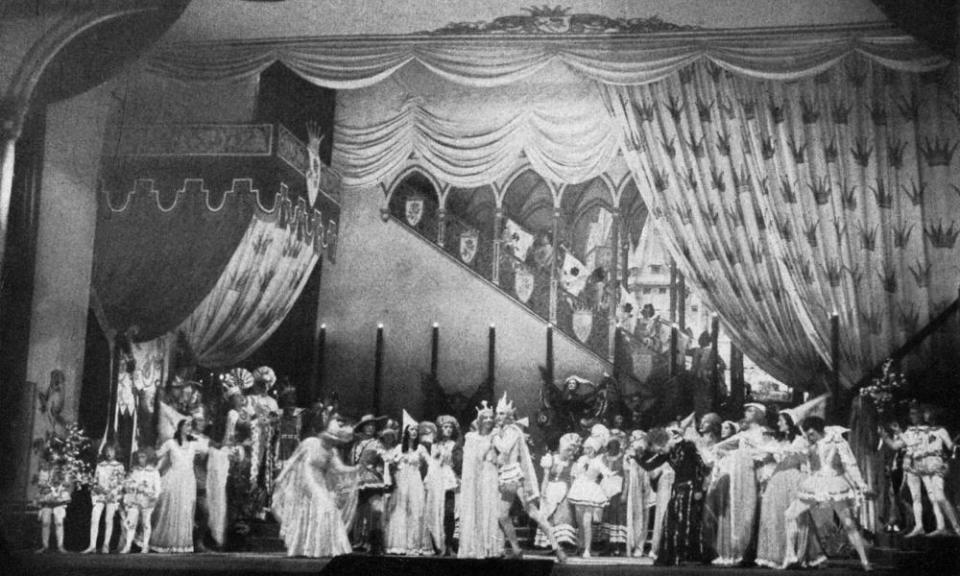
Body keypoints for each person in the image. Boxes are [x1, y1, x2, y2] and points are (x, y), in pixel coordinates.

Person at [784, 416, 872, 571]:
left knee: (848, 523)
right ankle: (790, 555)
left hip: (834, 483)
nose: (810, 437)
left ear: (820, 430)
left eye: (812, 434)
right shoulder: (810, 443)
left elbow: (850, 464)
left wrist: (861, 484)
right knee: (789, 514)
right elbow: (795, 454)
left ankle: (865, 561)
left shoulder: (836, 440)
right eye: (808, 434)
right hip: (816, 483)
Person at [271, 406, 358, 557]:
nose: (332, 443)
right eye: (330, 439)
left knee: (328, 507)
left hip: (319, 480)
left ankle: (318, 547)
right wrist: (281, 476)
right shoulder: (310, 442)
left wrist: (357, 467)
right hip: (306, 478)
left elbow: (340, 469)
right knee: (321, 504)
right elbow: (293, 460)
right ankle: (309, 546)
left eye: (334, 441)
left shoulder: (332, 452)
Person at [491, 393, 567, 562]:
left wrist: (494, 436)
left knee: (532, 512)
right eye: (498, 413)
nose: (498, 417)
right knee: (502, 515)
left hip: (517, 476)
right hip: (506, 476)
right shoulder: (504, 430)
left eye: (502, 413)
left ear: (509, 415)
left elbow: (504, 448)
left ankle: (557, 546)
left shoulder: (513, 430)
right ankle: (516, 549)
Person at [755, 410, 825, 569]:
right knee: (775, 516)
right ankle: (777, 554)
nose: (778, 423)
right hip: (777, 480)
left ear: (789, 423)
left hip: (794, 480)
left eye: (781, 420)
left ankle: (793, 553)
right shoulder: (777, 442)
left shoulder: (800, 441)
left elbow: (806, 461)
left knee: (795, 518)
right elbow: (763, 454)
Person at [707, 402, 766, 566]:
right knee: (732, 510)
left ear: (759, 414)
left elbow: (762, 452)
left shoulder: (762, 433)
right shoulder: (743, 434)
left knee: (746, 512)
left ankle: (741, 551)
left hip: (749, 475)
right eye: (746, 410)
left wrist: (741, 454)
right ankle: (728, 551)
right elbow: (720, 446)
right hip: (737, 475)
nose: (746, 412)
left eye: (751, 410)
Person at [648, 427, 706, 566]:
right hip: (677, 487)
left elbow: (700, 466)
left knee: (686, 520)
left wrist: (698, 488)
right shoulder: (669, 451)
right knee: (671, 520)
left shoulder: (688, 446)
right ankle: (671, 555)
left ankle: (687, 556)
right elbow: (651, 464)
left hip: (691, 487)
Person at [151, 419, 206, 553]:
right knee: (171, 509)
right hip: (174, 479)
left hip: (188, 480)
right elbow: (156, 455)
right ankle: (167, 542)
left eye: (190, 426)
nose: (188, 428)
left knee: (186, 510)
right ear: (180, 427)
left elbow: (206, 449)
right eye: (186, 425)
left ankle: (182, 544)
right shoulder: (170, 443)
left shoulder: (194, 444)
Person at [458, 402, 504, 558]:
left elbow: (503, 452)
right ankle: (474, 547)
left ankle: (489, 546)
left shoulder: (495, 435)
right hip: (475, 476)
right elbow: (469, 459)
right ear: (480, 420)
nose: (489, 420)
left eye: (491, 417)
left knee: (490, 506)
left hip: (490, 474)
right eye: (486, 418)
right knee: (475, 507)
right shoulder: (471, 437)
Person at [881, 402, 930, 537]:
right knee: (907, 496)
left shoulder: (927, 430)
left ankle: (922, 524)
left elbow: (914, 444)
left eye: (914, 413)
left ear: (921, 414)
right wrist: (885, 437)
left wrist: (900, 433)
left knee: (930, 497)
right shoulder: (909, 431)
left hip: (925, 466)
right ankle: (916, 525)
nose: (912, 416)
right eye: (911, 414)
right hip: (910, 468)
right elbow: (896, 446)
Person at [384, 414, 430, 555]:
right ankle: (400, 545)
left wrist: (428, 476)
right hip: (402, 483)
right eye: (411, 429)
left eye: (416, 429)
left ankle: (414, 544)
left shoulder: (420, 448)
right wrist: (393, 462)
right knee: (400, 511)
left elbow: (430, 463)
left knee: (416, 512)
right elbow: (389, 461)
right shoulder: (399, 448)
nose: (414, 432)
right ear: (406, 432)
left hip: (415, 482)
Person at [567, 436, 613, 557]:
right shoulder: (581, 459)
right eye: (586, 448)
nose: (587, 450)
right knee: (579, 521)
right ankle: (580, 546)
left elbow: (606, 473)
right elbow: (575, 473)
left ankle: (587, 548)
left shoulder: (598, 461)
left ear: (594, 449)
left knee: (587, 521)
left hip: (591, 491)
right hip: (579, 489)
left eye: (590, 448)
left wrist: (607, 479)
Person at [535, 433, 580, 551]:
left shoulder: (574, 465)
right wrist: (543, 491)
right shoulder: (550, 459)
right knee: (549, 515)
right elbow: (545, 477)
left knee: (563, 515)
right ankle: (551, 543)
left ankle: (562, 543)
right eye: (567, 450)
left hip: (565, 491)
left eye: (572, 451)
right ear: (561, 448)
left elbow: (573, 480)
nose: (570, 453)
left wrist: (572, 494)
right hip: (550, 489)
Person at [428, 415, 462, 556]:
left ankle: (448, 545)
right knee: (435, 512)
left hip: (449, 481)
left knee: (449, 513)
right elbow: (431, 464)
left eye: (450, 427)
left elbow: (459, 464)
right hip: (437, 481)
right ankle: (437, 544)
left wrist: (451, 460)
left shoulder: (455, 445)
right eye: (445, 427)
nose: (447, 430)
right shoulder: (434, 445)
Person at [83, 443, 126, 554]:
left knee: (108, 519)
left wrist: (114, 492)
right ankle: (92, 545)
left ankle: (105, 545)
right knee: (94, 518)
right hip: (100, 495)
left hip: (112, 495)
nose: (109, 453)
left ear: (115, 452)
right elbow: (95, 480)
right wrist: (98, 488)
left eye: (111, 451)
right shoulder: (100, 465)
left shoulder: (119, 466)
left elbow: (121, 483)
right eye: (107, 450)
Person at [120, 449, 162, 554]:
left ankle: (145, 546)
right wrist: (133, 486)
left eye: (143, 456)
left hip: (147, 500)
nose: (140, 459)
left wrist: (149, 493)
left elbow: (158, 489)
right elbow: (127, 483)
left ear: (148, 458)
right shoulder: (134, 470)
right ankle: (128, 545)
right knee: (132, 523)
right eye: (139, 457)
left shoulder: (153, 472)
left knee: (145, 523)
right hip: (134, 499)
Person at [34, 459, 72, 553]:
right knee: (45, 523)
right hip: (47, 499)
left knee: (59, 523)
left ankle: (60, 546)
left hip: (59, 499)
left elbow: (67, 483)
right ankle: (45, 546)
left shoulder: (62, 471)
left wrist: (60, 485)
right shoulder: (44, 471)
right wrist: (47, 487)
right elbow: (41, 484)